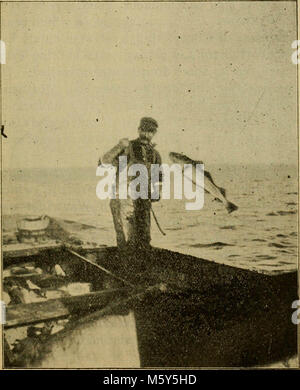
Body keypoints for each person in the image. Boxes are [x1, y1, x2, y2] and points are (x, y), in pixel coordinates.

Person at [100, 117, 162, 251]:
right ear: (139, 130)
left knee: (144, 241)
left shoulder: (155, 155)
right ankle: (125, 269)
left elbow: (158, 178)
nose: (148, 134)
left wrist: (156, 192)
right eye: (145, 130)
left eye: (151, 131)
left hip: (143, 202)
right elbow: (104, 161)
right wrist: (119, 146)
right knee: (127, 241)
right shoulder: (128, 148)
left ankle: (141, 269)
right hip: (124, 200)